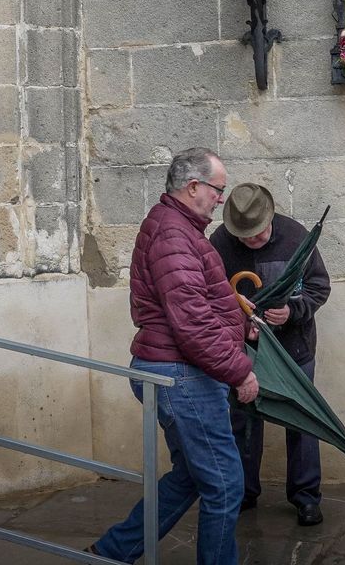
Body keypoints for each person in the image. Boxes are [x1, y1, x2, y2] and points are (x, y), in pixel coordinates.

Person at [88, 148, 260, 565]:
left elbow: (194, 303)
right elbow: (192, 322)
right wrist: (240, 372)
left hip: (177, 371)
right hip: (181, 376)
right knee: (224, 485)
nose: (221, 199)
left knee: (189, 478)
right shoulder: (173, 233)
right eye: (218, 190)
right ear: (193, 187)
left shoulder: (177, 228)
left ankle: (112, 552)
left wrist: (235, 318)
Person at [209, 183, 332, 527]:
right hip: (245, 351)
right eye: (245, 235)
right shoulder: (218, 244)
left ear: (270, 217)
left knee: (302, 423)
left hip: (294, 350)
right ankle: (244, 493)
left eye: (258, 232)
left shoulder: (296, 236)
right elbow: (208, 296)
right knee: (243, 423)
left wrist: (294, 311)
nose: (253, 239)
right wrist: (238, 319)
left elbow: (319, 286)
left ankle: (306, 498)